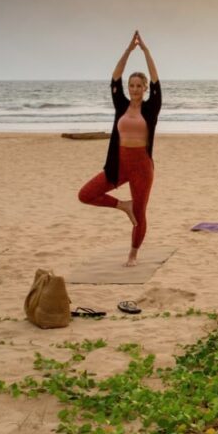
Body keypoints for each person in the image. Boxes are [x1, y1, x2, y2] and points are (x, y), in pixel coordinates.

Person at [78, 31, 160, 267]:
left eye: (138, 86)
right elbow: (114, 78)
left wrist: (145, 51)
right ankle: (124, 205)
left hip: (142, 167)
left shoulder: (151, 107)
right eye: (131, 85)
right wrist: (128, 51)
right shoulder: (121, 105)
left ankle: (133, 254)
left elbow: (156, 80)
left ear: (144, 88)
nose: (134, 89)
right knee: (85, 194)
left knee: (141, 214)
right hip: (119, 164)